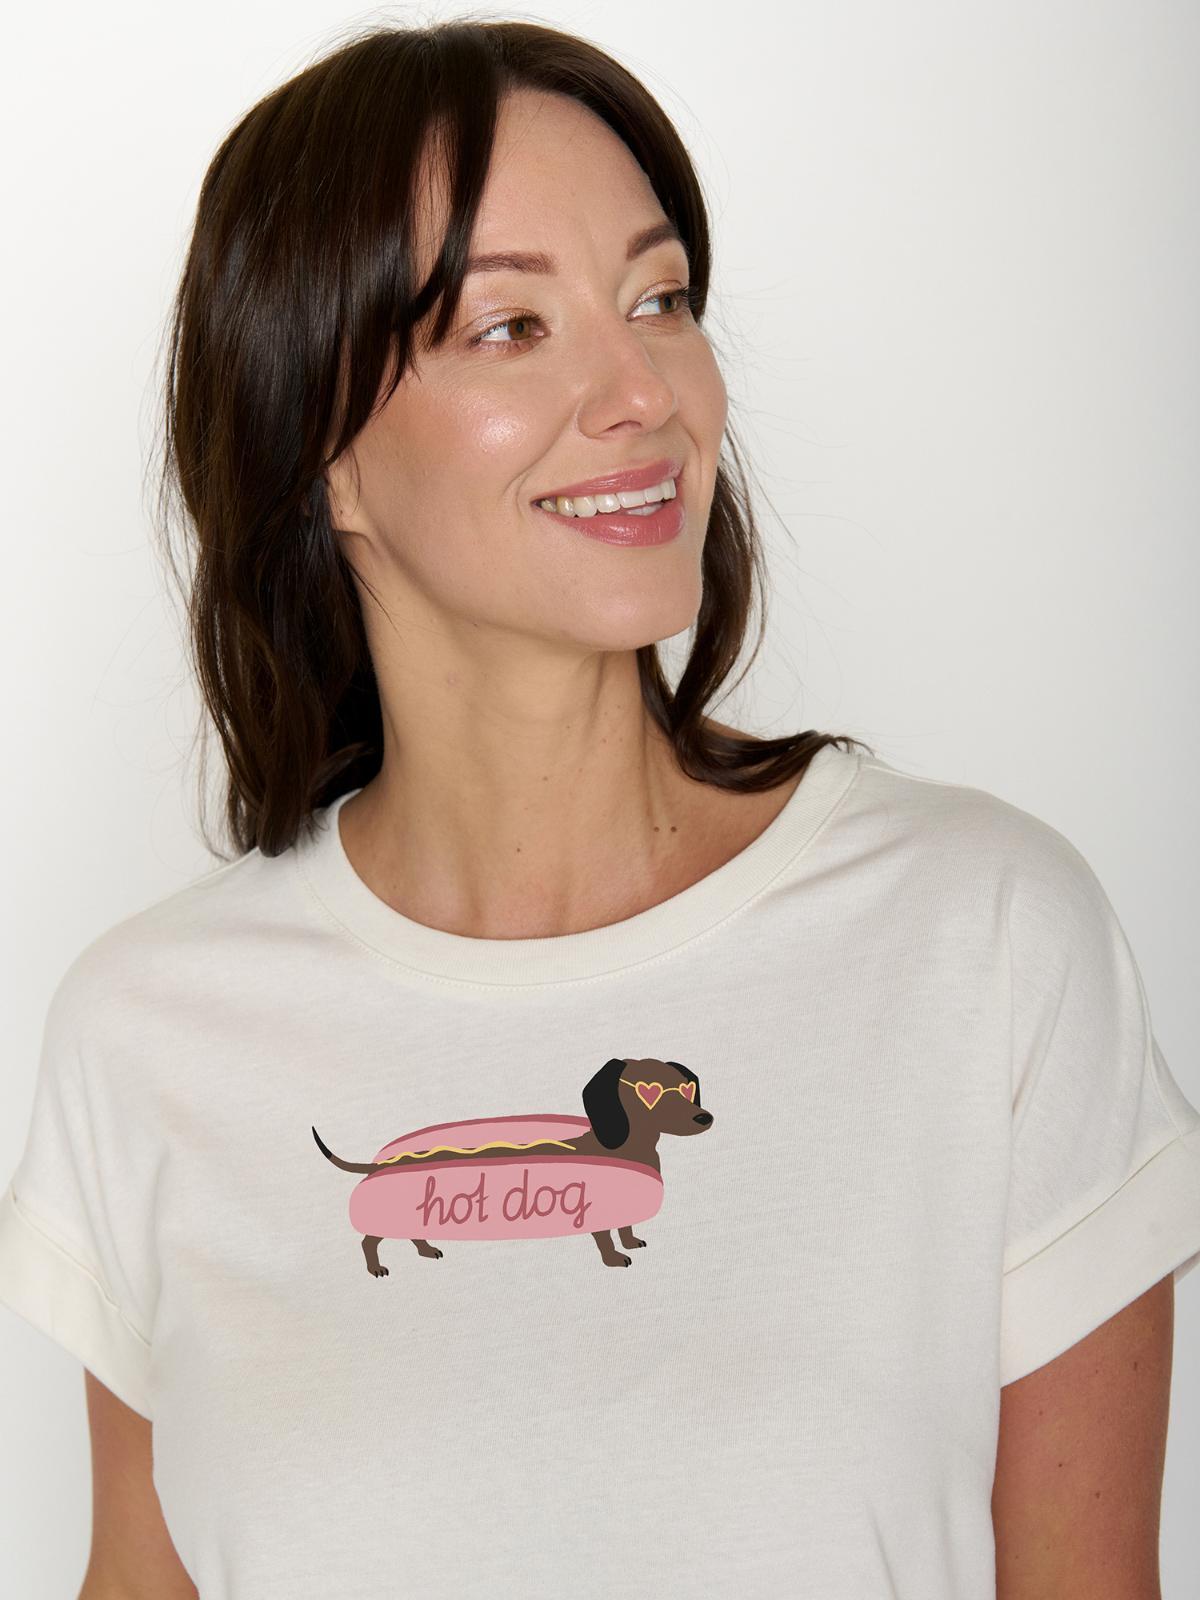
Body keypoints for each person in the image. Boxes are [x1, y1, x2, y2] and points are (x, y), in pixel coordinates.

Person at [1, 18, 1197, 1600]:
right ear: (319, 454)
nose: (644, 392)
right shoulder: (151, 1035)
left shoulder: (981, 940)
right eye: (511, 326)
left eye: (660, 300)